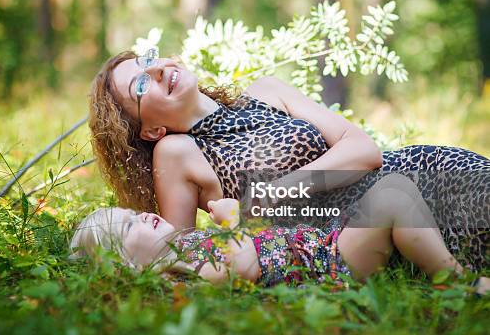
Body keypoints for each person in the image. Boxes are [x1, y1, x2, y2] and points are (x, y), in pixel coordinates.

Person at [88, 50, 490, 270]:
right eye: (140, 84)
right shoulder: (176, 153)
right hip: (371, 230)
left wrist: (278, 190)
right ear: (150, 131)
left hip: (424, 170)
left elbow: (364, 151)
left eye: (148, 59)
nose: (156, 69)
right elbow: (181, 253)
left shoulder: (267, 90)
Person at [70, 174, 489, 294]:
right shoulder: (182, 272)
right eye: (127, 226)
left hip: (324, 247)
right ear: (124, 263)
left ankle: (441, 269)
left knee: (394, 190)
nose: (141, 216)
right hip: (330, 266)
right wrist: (231, 220)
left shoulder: (185, 246)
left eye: (132, 212)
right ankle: (458, 280)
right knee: (393, 195)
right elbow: (242, 267)